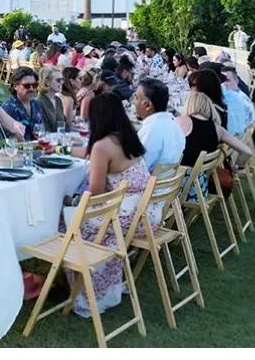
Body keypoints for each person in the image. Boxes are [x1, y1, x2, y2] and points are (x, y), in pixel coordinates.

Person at [62, 92, 158, 318]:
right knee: (86, 218)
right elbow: (98, 160)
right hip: (147, 212)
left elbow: (94, 192)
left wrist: (71, 200)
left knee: (67, 218)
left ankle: (84, 289)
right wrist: (63, 150)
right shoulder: (126, 136)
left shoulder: (102, 146)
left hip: (126, 217)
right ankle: (106, 286)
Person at [133, 78, 185, 172]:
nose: (133, 102)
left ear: (147, 105)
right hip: (170, 184)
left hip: (152, 185)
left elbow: (139, 169)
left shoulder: (151, 130)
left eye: (136, 98)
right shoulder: (174, 124)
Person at [214, 63, 255, 139]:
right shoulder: (241, 96)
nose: (223, 85)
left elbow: (234, 132)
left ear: (236, 81)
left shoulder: (236, 100)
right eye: (221, 81)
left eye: (227, 80)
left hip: (234, 143)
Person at [2, 67, 45, 139]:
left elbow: (41, 129)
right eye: (26, 86)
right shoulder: (9, 107)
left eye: (34, 85)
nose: (31, 89)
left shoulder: (36, 104)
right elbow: (9, 139)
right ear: (16, 86)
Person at [37, 65, 67, 133]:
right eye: (58, 80)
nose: (62, 82)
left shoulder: (58, 100)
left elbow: (64, 125)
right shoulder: (39, 102)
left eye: (63, 79)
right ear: (47, 82)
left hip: (61, 140)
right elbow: (44, 129)